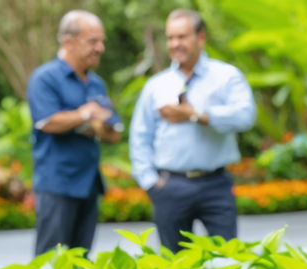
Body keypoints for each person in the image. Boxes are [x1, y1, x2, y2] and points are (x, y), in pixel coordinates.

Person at [129, 9, 256, 253]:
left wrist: (197, 115)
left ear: (201, 37)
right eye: (170, 38)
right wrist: (151, 183)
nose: (175, 44)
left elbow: (245, 116)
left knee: (227, 259)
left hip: (216, 184)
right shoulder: (157, 85)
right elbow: (140, 137)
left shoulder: (226, 76)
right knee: (175, 265)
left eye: (182, 36)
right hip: (170, 186)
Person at [28, 11, 122, 255]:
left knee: (81, 260)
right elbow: (47, 122)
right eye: (92, 41)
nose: (100, 48)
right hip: (57, 184)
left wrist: (96, 125)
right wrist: (86, 114)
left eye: (101, 41)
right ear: (68, 42)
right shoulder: (45, 78)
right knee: (51, 261)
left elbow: (115, 133)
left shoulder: (96, 83)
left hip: (88, 184)